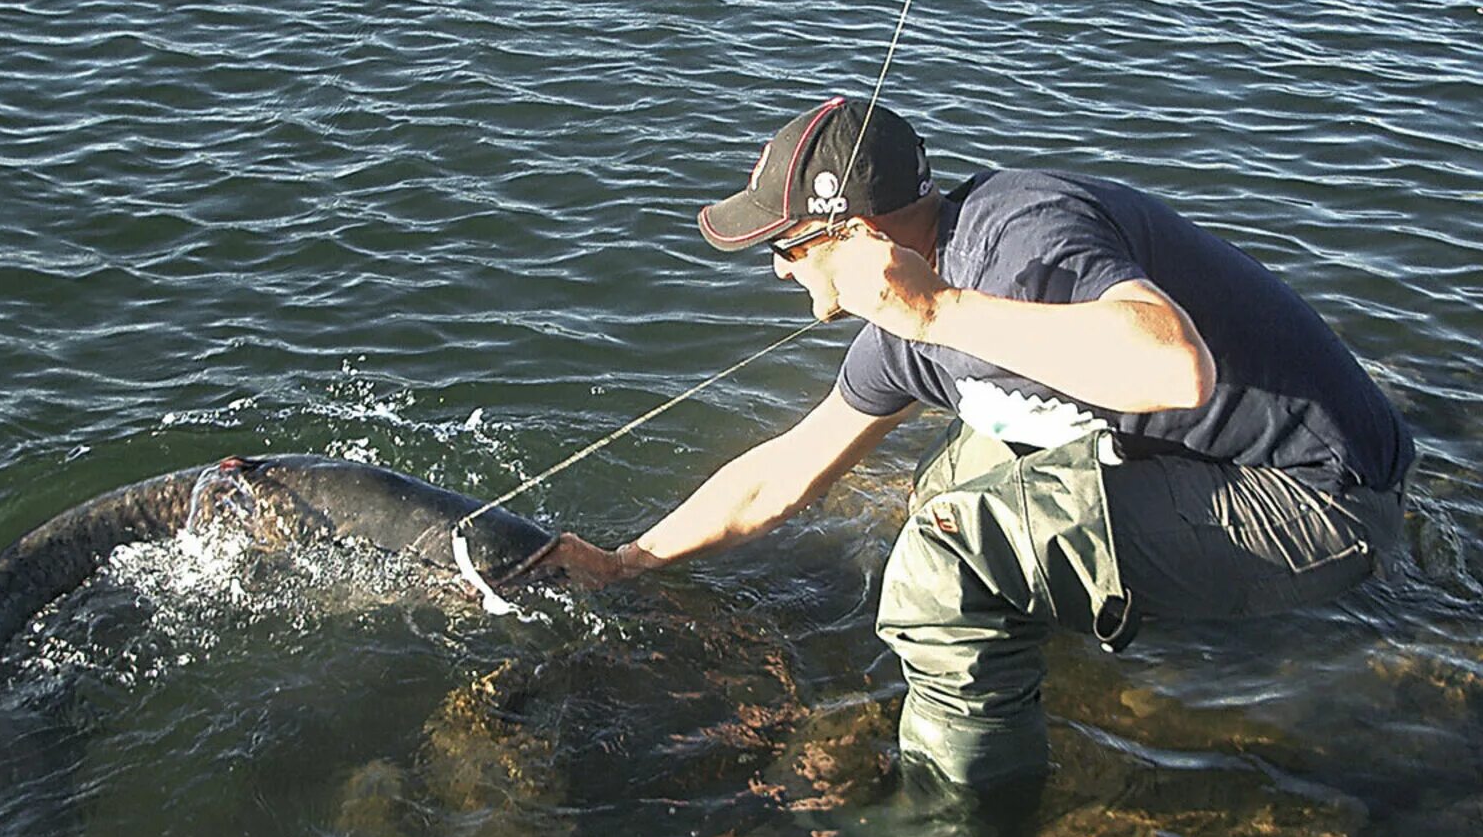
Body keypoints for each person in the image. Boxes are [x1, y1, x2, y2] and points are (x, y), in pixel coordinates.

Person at [532, 95, 1413, 788]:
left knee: (942, 563)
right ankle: (1025, 670)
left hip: (1323, 499)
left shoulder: (1019, 236)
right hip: (1214, 469)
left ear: (859, 237)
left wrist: (938, 311)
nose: (777, 268)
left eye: (789, 245)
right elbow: (784, 472)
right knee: (950, 477)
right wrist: (628, 561)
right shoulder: (909, 324)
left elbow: (1175, 370)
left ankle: (957, 820)